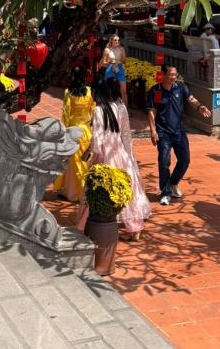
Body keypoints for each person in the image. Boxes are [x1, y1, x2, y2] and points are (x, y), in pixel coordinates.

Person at [83, 77, 150, 237]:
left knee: (101, 187)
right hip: (119, 150)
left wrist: (91, 154)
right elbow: (126, 134)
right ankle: (135, 228)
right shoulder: (120, 107)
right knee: (125, 188)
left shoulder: (98, 110)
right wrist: (129, 155)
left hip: (105, 153)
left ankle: (91, 224)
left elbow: (97, 138)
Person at [146, 63, 211, 205]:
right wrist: (153, 130)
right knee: (164, 162)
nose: (173, 77)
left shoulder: (180, 88)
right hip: (163, 132)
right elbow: (152, 111)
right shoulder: (156, 91)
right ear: (163, 75)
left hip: (179, 131)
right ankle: (165, 192)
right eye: (170, 75)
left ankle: (173, 183)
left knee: (185, 160)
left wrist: (200, 107)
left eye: (175, 74)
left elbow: (191, 99)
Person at [53, 66, 94, 202]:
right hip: (86, 130)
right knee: (84, 162)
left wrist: (63, 131)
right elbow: (92, 110)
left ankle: (73, 192)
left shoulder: (68, 92)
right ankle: (83, 190)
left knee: (72, 162)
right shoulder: (89, 92)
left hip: (72, 130)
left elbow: (66, 113)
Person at [101, 38, 128, 107]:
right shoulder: (107, 50)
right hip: (110, 68)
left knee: (124, 91)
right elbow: (103, 63)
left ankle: (125, 109)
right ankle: (107, 108)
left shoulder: (122, 49)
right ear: (111, 41)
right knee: (108, 89)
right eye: (115, 40)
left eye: (118, 40)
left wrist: (119, 61)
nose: (117, 41)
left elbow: (124, 61)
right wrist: (109, 61)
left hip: (119, 68)